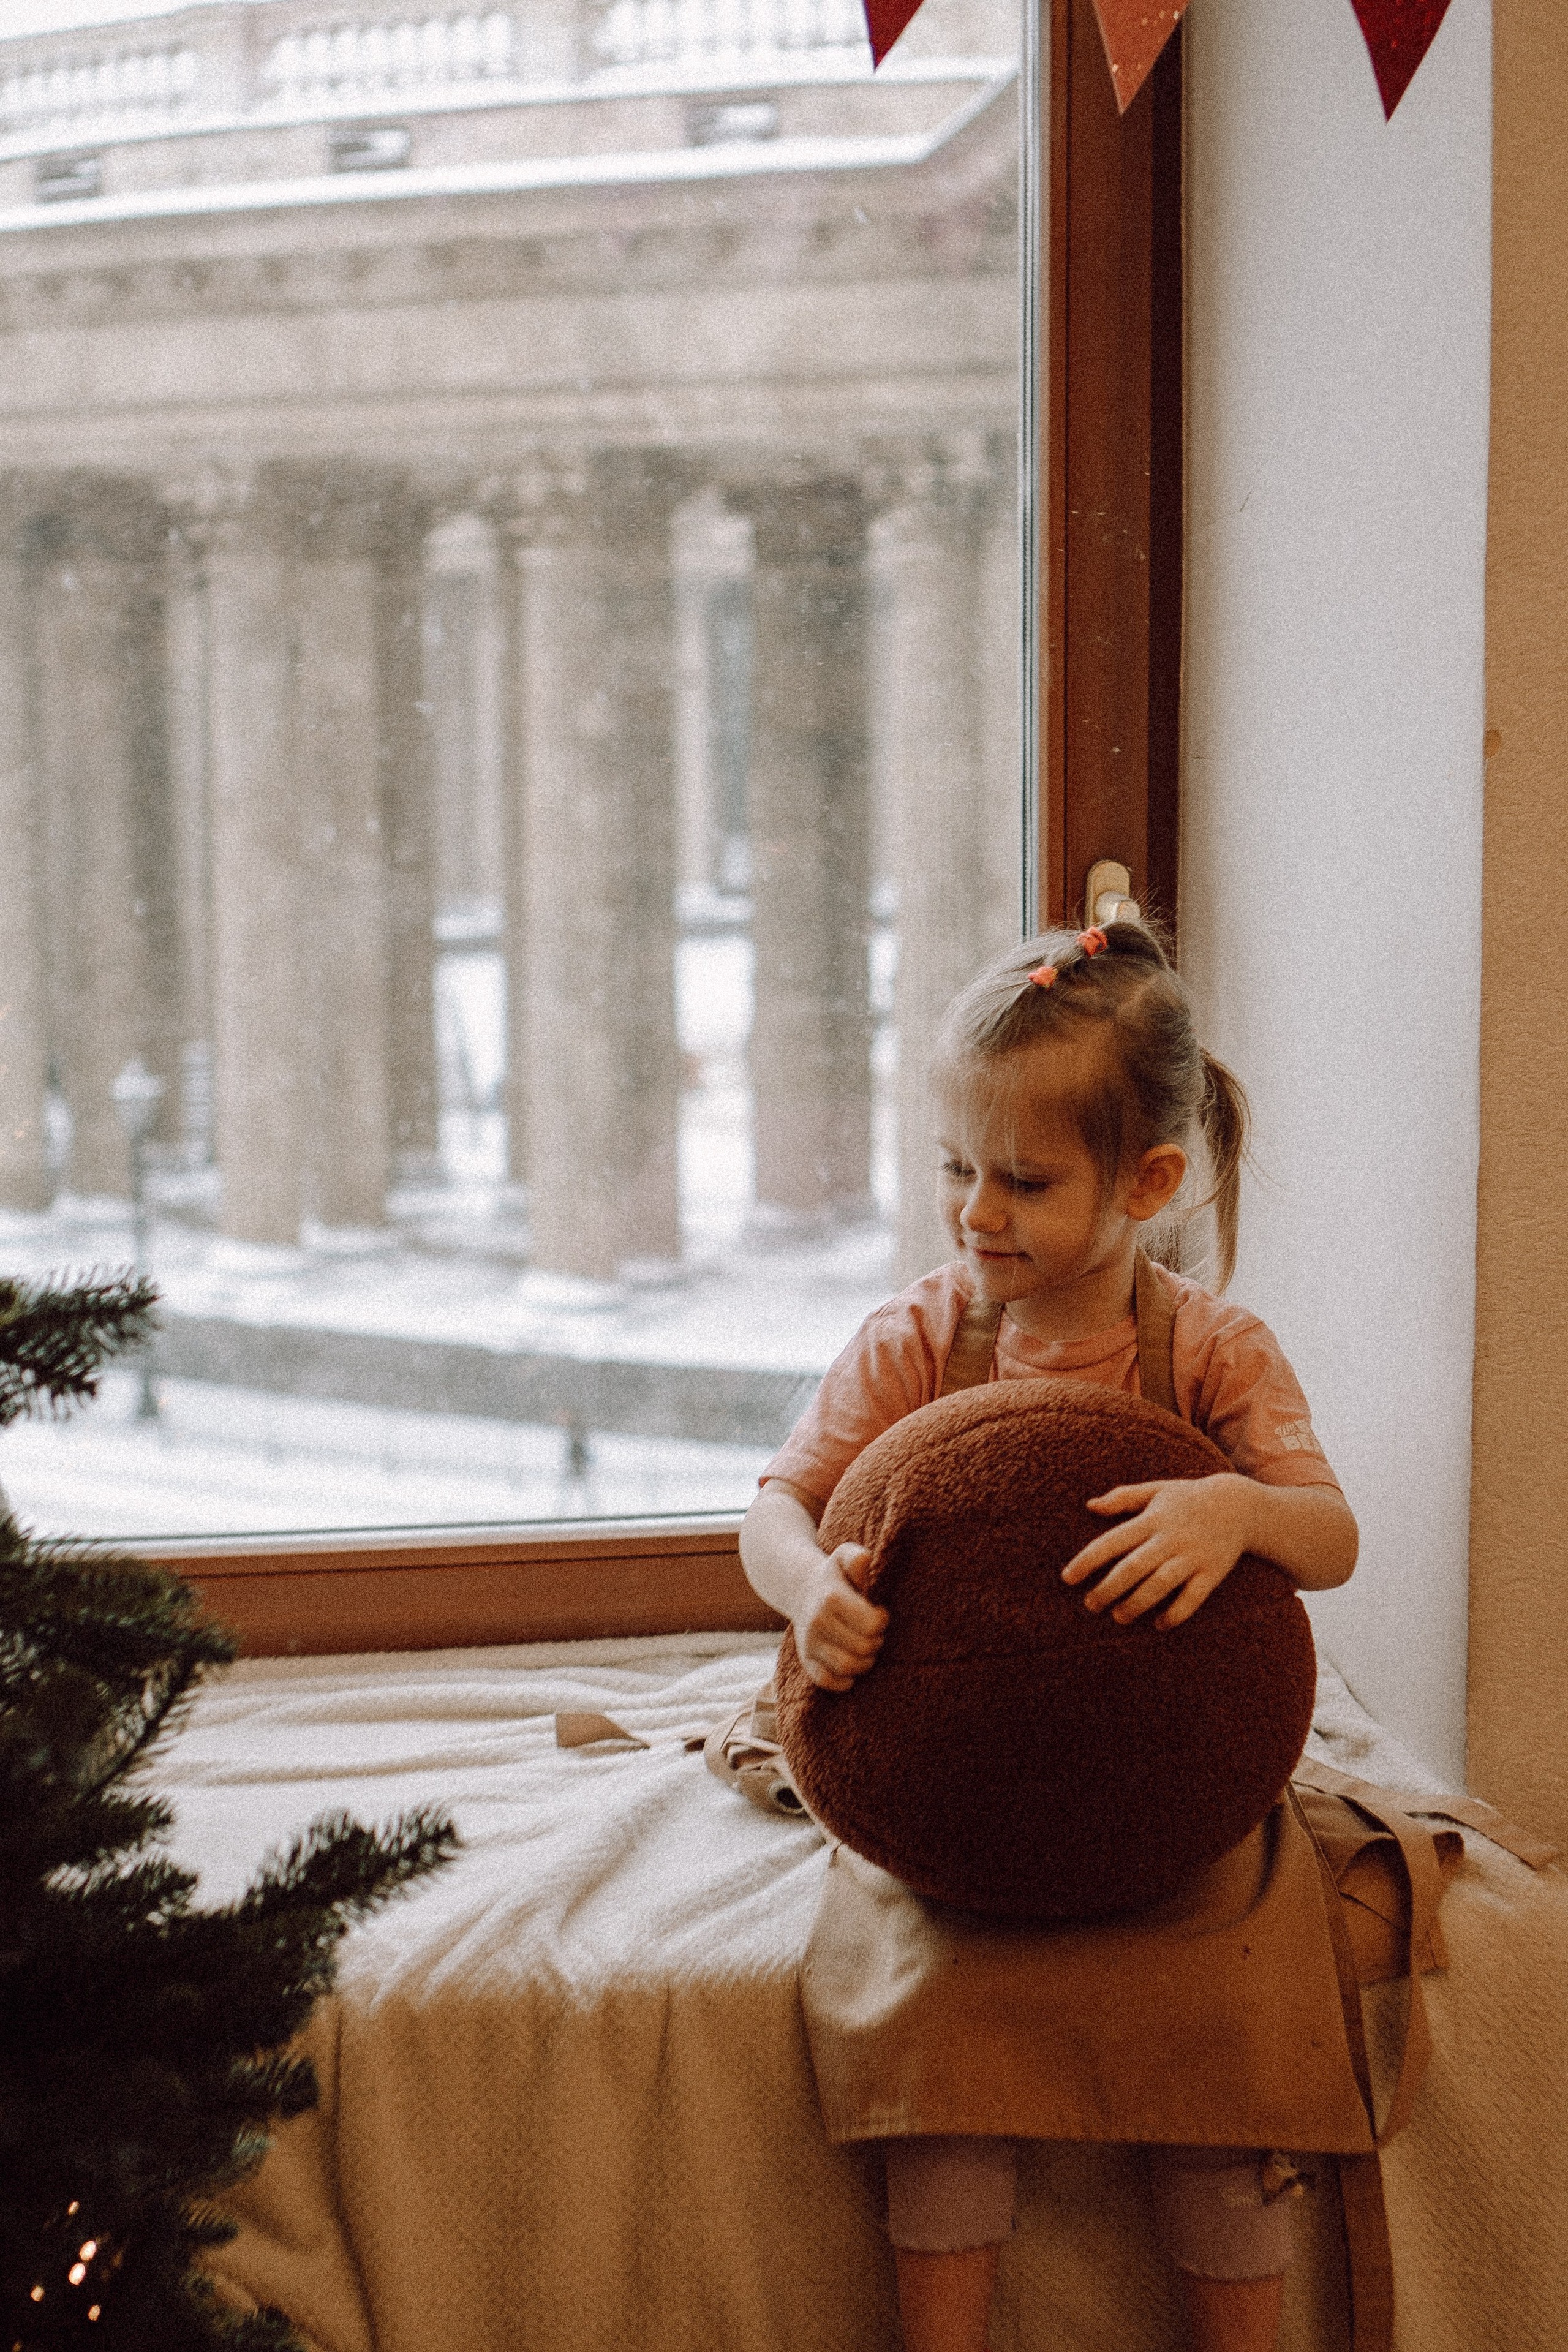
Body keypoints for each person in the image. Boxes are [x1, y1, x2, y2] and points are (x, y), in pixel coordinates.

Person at [738, 921, 1360, 2352]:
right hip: (954, 1787)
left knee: (1222, 2043)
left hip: (1165, 1793)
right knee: (940, 2046)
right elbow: (774, 1506)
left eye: (1022, 1182)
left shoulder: (1209, 1348)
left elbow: (1326, 1538)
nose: (974, 1215)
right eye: (955, 1171)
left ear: (1145, 1183)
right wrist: (806, 1592)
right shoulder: (919, 1334)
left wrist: (1229, 1511)